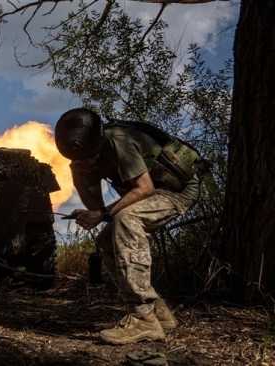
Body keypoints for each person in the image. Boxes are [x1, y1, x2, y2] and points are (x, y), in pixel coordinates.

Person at [54, 108, 200, 345]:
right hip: (151, 193)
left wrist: (101, 213)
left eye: (87, 158)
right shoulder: (80, 161)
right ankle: (159, 315)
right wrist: (87, 194)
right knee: (105, 239)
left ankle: (142, 318)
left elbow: (145, 189)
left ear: (98, 143)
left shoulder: (119, 140)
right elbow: (96, 209)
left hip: (176, 191)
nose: (84, 163)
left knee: (127, 219)